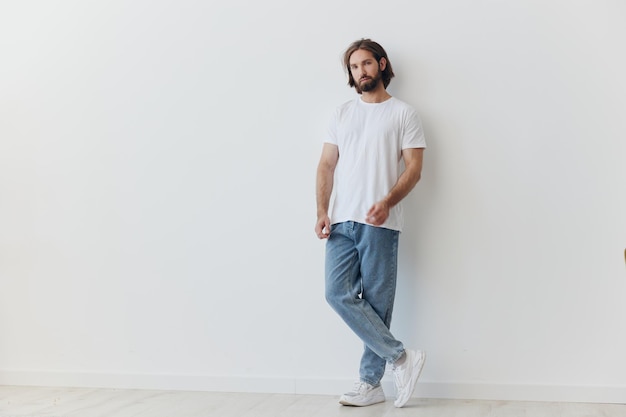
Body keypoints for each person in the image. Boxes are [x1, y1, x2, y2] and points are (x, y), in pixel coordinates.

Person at [314, 38, 427, 408]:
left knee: (377, 306)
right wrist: (321, 211)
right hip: (341, 222)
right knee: (336, 293)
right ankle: (401, 358)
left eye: (365, 64)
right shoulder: (342, 113)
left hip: (381, 222)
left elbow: (414, 169)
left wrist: (387, 201)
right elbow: (326, 165)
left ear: (381, 64)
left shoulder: (404, 114)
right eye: (353, 67)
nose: (359, 72)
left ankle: (370, 383)